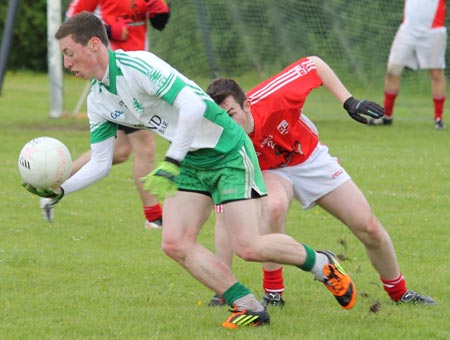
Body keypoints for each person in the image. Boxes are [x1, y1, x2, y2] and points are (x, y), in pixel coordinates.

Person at [24, 12, 364, 329]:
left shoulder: (137, 65)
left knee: (248, 246)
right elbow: (101, 161)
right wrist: (62, 190)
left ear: (93, 44)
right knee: (174, 242)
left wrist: (171, 160)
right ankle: (248, 306)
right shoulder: (99, 99)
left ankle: (321, 263)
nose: (67, 63)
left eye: (70, 53)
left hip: (227, 149)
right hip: (189, 158)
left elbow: (192, 104)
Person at [205, 56, 436, 307]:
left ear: (247, 106)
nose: (228, 123)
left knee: (368, 226)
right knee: (274, 207)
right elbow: (223, 218)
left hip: (309, 158)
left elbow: (314, 64)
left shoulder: (274, 96)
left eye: (231, 114)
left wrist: (349, 101)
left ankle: (400, 292)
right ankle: (273, 293)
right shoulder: (219, 138)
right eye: (221, 118)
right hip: (269, 170)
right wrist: (222, 289)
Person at [40, 0, 171, 228]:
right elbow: (71, 21)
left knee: (119, 152)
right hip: (116, 78)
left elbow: (160, 23)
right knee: (146, 147)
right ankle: (155, 218)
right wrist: (109, 30)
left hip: (137, 74)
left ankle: (53, 186)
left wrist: (159, 8)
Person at [371, 0, 447, 130]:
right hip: (408, 30)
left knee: (436, 73)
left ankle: (438, 119)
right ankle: (387, 116)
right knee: (393, 71)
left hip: (433, 30)